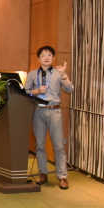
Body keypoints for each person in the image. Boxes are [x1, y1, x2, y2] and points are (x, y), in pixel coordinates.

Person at [25, 45, 74, 190]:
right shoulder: (32, 74)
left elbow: (70, 89)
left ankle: (62, 177)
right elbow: (26, 92)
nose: (46, 58)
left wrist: (64, 76)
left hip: (54, 111)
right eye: (43, 55)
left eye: (49, 55)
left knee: (58, 145)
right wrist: (36, 91)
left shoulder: (59, 73)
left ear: (53, 58)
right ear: (38, 58)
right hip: (38, 111)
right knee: (40, 145)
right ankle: (43, 174)